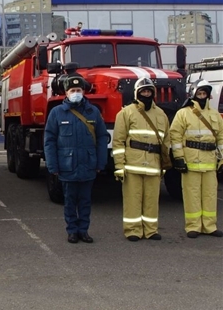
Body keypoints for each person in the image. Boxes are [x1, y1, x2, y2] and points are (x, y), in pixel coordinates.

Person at [44, 73, 107, 244]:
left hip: (88, 165)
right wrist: (52, 165)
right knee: (70, 201)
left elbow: (102, 138)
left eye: (79, 90)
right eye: (73, 90)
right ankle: (72, 231)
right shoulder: (57, 113)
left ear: (84, 91)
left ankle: (84, 231)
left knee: (85, 201)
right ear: (66, 93)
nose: (76, 93)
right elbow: (49, 141)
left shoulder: (92, 111)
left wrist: (101, 162)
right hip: (67, 166)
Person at [112, 77, 169, 242]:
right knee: (133, 199)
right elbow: (118, 141)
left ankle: (151, 230)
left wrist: (164, 165)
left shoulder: (161, 114)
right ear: (137, 93)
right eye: (143, 91)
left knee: (152, 200)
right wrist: (119, 166)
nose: (146, 94)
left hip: (153, 165)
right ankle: (133, 230)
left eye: (149, 91)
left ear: (153, 93)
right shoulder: (126, 113)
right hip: (133, 165)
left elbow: (166, 141)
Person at [169, 79, 223, 239]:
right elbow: (175, 135)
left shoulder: (214, 115)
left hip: (210, 162)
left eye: (204, 93)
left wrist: (222, 160)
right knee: (191, 195)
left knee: (210, 195)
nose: (202, 96)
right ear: (193, 94)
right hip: (191, 161)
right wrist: (178, 158)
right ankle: (193, 226)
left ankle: (209, 226)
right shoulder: (183, 113)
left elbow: (221, 137)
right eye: (199, 93)